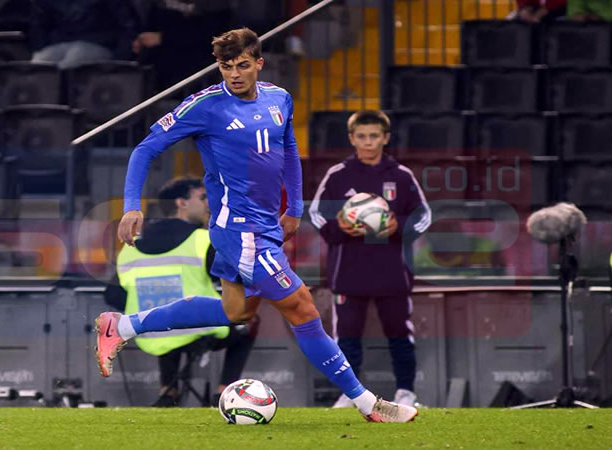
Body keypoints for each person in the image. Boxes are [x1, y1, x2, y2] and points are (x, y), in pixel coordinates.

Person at [95, 28, 418, 422]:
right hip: (238, 230)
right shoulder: (204, 106)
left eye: (242, 65)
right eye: (226, 66)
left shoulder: (279, 98)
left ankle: (123, 325)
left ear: (258, 63)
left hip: (265, 225)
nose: (234, 73)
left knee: (236, 312)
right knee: (301, 308)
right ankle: (369, 404)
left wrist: (294, 209)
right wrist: (131, 206)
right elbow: (145, 148)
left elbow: (289, 150)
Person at [308, 110, 431, 408]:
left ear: (385, 138)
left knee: (400, 334)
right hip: (349, 273)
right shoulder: (338, 175)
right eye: (361, 136)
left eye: (374, 136)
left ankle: (406, 392)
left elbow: (423, 215)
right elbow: (315, 213)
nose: (368, 142)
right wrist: (340, 227)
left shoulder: (400, 175)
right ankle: (350, 393)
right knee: (347, 337)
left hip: (392, 272)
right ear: (351, 139)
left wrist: (398, 226)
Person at [104, 177, 256, 407]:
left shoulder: (132, 246)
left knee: (163, 316)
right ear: (181, 203)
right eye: (202, 197)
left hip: (150, 333)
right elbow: (234, 278)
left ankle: (168, 391)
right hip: (201, 330)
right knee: (248, 319)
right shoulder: (203, 240)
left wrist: (146, 300)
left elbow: (112, 294)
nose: (209, 203)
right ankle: (224, 392)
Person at [132, 0, 234, 92]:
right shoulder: (160, 4)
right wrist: (143, 40)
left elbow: (211, 34)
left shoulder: (216, 5)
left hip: (196, 69)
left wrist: (163, 38)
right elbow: (152, 22)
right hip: (160, 69)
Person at [29, 0, 140, 69]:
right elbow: (40, 24)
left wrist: (118, 62)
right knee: (39, 67)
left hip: (99, 43)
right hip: (59, 42)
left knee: (71, 62)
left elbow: (128, 26)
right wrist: (39, 48)